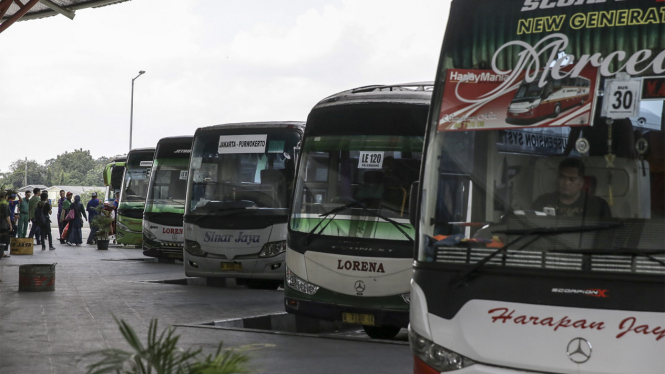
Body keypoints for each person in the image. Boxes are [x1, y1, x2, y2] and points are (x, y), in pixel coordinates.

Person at [532, 158, 612, 218]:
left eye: (572, 179)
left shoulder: (597, 206)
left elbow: (607, 236)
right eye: (562, 177)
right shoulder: (542, 202)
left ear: (581, 182)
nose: (566, 183)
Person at [0, 192, 11, 258]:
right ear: (5, 197)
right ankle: (2, 252)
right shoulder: (4, 204)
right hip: (3, 224)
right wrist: (10, 224)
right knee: (4, 238)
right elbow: (7, 216)